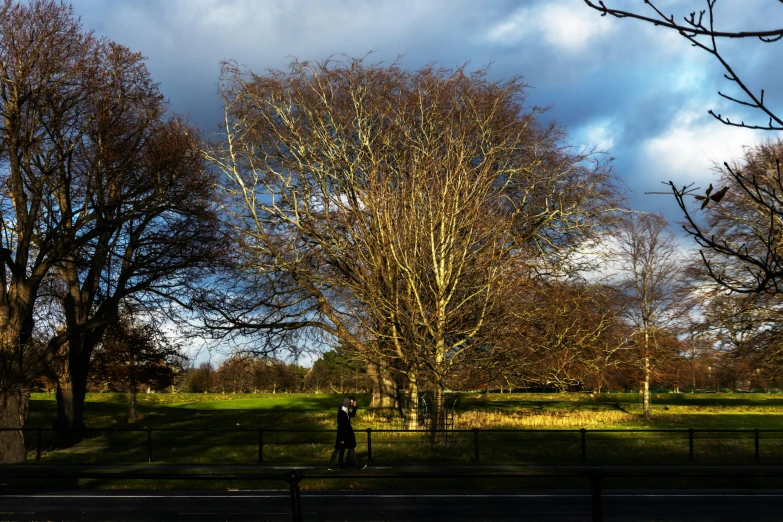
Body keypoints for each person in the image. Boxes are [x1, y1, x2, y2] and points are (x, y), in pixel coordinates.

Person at [328, 396, 366, 470]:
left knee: (351, 449)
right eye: (350, 402)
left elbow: (352, 415)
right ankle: (331, 465)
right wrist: (341, 438)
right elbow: (341, 426)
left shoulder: (345, 410)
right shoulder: (342, 412)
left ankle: (356, 465)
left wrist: (355, 407)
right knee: (338, 450)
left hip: (347, 435)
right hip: (343, 435)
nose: (351, 403)